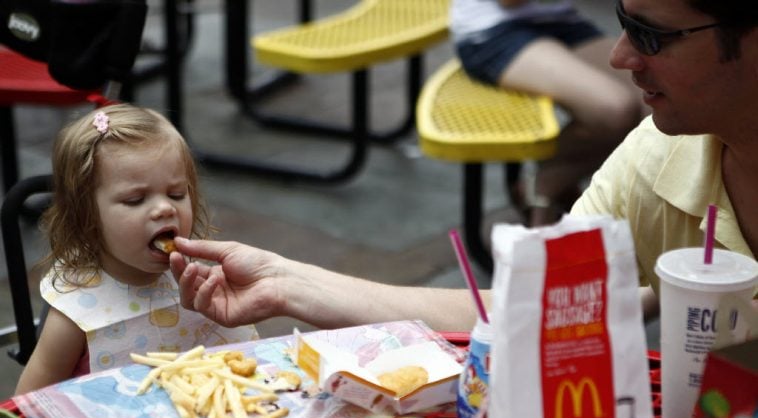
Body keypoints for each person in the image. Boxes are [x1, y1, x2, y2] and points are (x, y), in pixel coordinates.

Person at [168, 0, 757, 333]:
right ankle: (544, 184)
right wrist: (287, 283)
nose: (619, 54)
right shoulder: (655, 159)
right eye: (624, 23)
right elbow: (530, 311)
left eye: (650, 36)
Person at [15, 104, 258, 395]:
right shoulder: (76, 309)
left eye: (176, 194)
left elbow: (249, 359)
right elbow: (30, 401)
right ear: (87, 216)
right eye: (135, 200)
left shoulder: (201, 278)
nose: (165, 208)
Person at [450, 0, 648, 226]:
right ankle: (546, 187)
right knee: (615, 111)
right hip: (493, 30)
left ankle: (551, 183)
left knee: (658, 106)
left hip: (560, 20)